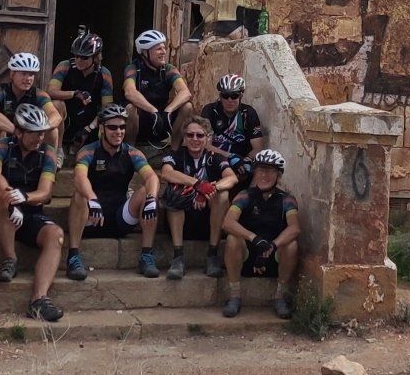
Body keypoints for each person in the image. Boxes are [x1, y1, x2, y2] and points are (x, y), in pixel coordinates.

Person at [0, 103, 64, 322]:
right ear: (18, 132)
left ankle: (39, 300)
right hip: (1, 212)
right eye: (34, 134)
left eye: (42, 133)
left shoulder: (47, 153)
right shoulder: (1, 146)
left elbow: (45, 192)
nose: (39, 138)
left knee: (55, 235)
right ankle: (10, 259)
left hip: (30, 212)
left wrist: (25, 198)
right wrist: (11, 197)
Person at [66, 103, 161, 280]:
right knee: (79, 194)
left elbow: (152, 178)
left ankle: (146, 255)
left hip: (120, 217)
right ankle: (73, 256)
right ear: (101, 128)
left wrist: (152, 199)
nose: (118, 132)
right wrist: (92, 199)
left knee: (147, 192)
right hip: (92, 216)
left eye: (122, 127)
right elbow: (79, 177)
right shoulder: (88, 151)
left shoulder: (133, 153)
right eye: (112, 127)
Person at [220, 147, 299, 319]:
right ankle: (234, 296)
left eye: (270, 170)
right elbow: (228, 222)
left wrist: (272, 245)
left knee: (292, 245)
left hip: (273, 256)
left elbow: (294, 228)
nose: (264, 175)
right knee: (233, 239)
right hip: (247, 253)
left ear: (278, 174)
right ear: (255, 172)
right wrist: (254, 239)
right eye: (261, 170)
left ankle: (280, 296)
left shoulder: (287, 199)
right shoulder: (244, 195)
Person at [155, 114, 238, 280]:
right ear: (184, 137)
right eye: (190, 135)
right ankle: (178, 257)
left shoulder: (214, 158)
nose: (195, 139)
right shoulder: (176, 155)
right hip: (180, 221)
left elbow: (232, 178)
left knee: (223, 195)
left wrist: (209, 189)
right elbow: (166, 173)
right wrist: (198, 185)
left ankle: (212, 255)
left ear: (207, 138)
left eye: (200, 135)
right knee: (174, 192)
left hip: (207, 222)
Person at [122, 28, 190, 152]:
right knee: (130, 109)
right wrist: (152, 111)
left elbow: (185, 92)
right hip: (142, 122)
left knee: (187, 107)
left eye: (164, 48)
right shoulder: (133, 68)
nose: (164, 52)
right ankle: (130, 153)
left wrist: (168, 111)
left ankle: (173, 153)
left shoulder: (168, 69)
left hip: (163, 120)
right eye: (159, 49)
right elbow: (129, 91)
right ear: (145, 52)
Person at [47, 27, 113, 153]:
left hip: (89, 123)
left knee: (111, 118)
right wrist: (74, 94)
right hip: (66, 119)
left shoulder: (104, 74)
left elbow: (107, 107)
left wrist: (89, 128)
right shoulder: (65, 66)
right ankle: (58, 151)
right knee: (56, 104)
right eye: (76, 56)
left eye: (84, 57)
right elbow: (50, 91)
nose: (79, 60)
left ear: (95, 58)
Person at [0, 51, 60, 156]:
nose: (28, 79)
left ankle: (48, 167)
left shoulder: (40, 94)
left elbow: (56, 116)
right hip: (6, 135)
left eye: (31, 74)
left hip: (30, 138)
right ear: (12, 74)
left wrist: (39, 131)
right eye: (23, 73)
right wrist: (16, 131)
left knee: (53, 131)